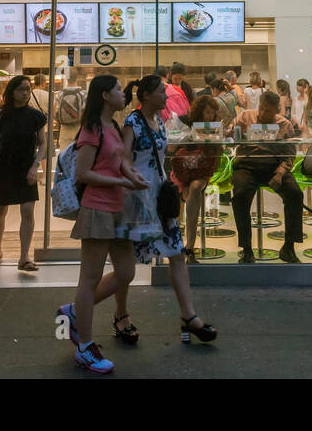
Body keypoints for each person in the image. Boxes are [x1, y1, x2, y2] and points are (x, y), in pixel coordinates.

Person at [94, 75, 217, 347]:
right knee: (126, 267)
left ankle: (189, 316)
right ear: (147, 96)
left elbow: (162, 154)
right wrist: (134, 178)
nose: (167, 95)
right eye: (162, 92)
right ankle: (120, 315)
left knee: (176, 253)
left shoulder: (159, 120)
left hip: (160, 199)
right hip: (137, 200)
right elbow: (124, 158)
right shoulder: (133, 123)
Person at [58, 74, 147, 374]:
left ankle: (74, 312)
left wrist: (132, 177)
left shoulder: (113, 126)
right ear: (105, 96)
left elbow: (119, 159)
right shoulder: (92, 128)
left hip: (118, 207)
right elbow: (83, 173)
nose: (124, 93)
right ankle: (85, 346)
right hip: (97, 208)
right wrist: (120, 180)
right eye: (119, 89)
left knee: (126, 272)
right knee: (90, 277)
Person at [0, 75, 45, 272]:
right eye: (21, 89)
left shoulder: (36, 116)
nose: (25, 93)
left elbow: (43, 143)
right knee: (0, 212)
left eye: (28, 89)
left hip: (26, 170)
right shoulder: (1, 116)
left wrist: (35, 166)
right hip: (3, 169)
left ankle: (24, 257)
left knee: (27, 211)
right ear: (12, 91)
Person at [231, 89, 304, 263]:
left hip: (274, 167)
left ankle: (289, 246)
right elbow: (229, 134)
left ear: (276, 109)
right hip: (247, 166)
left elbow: (289, 155)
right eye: (262, 109)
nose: (263, 113)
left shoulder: (284, 124)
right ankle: (246, 249)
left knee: (295, 194)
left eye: (268, 111)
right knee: (240, 196)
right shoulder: (245, 117)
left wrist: (279, 174)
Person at [174, 94, 227, 254]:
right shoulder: (184, 121)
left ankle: (189, 243)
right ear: (199, 111)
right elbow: (174, 145)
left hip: (202, 170)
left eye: (212, 112)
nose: (210, 115)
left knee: (194, 188)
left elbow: (216, 155)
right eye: (207, 112)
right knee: (188, 190)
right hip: (182, 169)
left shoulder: (215, 126)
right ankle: (185, 242)